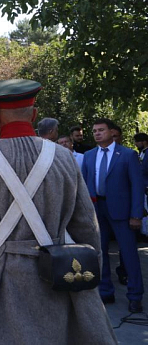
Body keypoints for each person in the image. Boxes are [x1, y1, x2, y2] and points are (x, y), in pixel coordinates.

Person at [0, 80, 116, 344]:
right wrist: (89, 269)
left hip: (4, 274)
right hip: (60, 271)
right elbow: (87, 225)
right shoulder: (64, 157)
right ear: (34, 114)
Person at [80, 117, 144, 312]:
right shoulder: (89, 155)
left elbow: (137, 186)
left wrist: (136, 215)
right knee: (100, 253)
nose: (97, 133)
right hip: (97, 210)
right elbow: (84, 185)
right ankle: (106, 291)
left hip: (122, 212)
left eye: (101, 130)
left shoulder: (127, 154)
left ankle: (135, 296)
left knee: (129, 254)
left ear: (111, 132)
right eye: (94, 131)